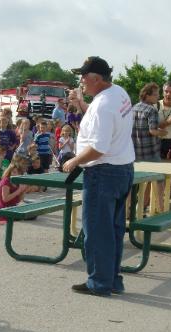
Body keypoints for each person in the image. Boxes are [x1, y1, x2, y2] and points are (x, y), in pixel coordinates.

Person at [64, 56, 135, 296]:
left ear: (96, 78)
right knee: (113, 230)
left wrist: (74, 161)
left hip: (102, 172)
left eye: (84, 76)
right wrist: (83, 104)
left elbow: (98, 147)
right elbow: (103, 123)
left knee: (96, 231)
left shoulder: (102, 105)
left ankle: (100, 282)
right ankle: (112, 279)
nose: (81, 80)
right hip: (122, 168)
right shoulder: (118, 93)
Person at [132, 82, 168, 210]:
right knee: (160, 180)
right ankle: (160, 208)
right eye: (156, 94)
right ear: (147, 95)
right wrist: (163, 132)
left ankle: (136, 208)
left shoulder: (134, 107)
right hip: (150, 152)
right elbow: (153, 130)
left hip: (135, 152)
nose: (158, 97)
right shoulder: (152, 110)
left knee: (138, 182)